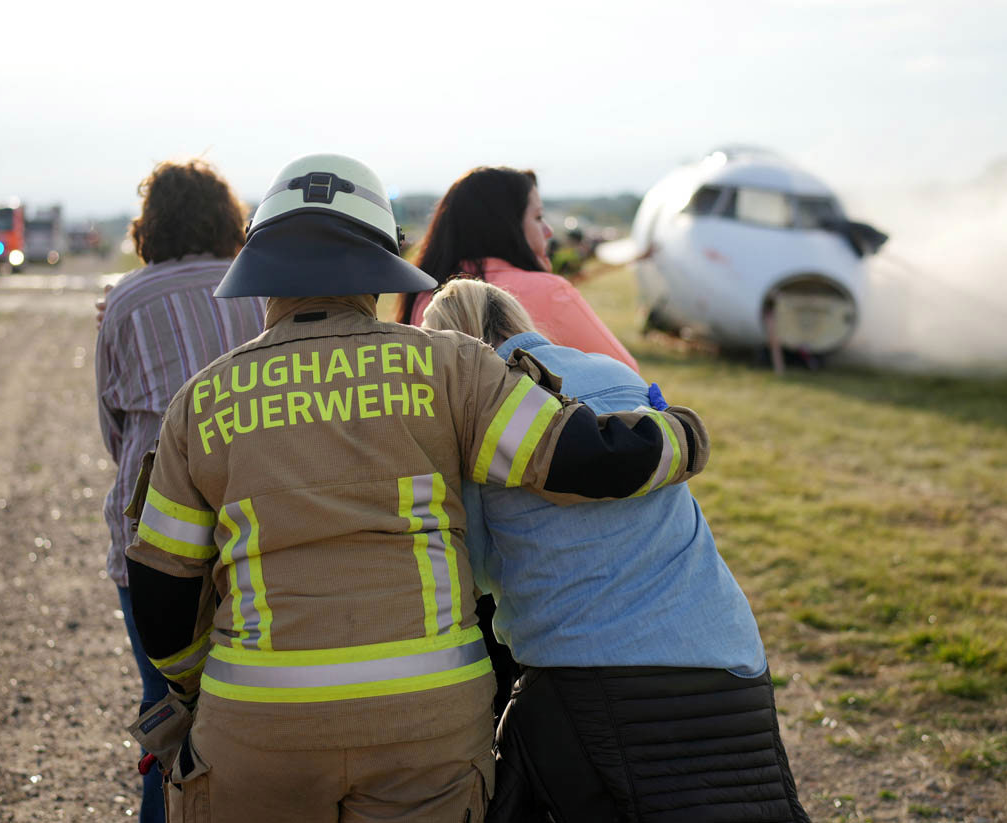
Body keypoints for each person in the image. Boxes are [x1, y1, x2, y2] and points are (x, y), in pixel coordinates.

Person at [123, 153, 710, 823]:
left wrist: (205, 684)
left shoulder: (199, 404)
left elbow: (163, 600)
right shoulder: (449, 367)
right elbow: (584, 458)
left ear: (263, 272)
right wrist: (683, 435)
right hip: (426, 730)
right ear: (380, 263)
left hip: (259, 729)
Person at [421, 279, 811, 823]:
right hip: (727, 657)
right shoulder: (614, 373)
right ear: (517, 319)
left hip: (589, 670)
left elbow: (479, 570)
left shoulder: (478, 418)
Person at [95, 158, 268, 823]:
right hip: (249, 521)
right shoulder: (255, 289)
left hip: (150, 538)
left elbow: (113, 430)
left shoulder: (128, 300)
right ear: (228, 219)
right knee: (255, 698)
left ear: (152, 223)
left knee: (166, 705)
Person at [397, 166, 638, 372]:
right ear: (505, 227)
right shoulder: (549, 291)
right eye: (538, 218)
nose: (548, 231)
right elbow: (626, 374)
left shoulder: (422, 297)